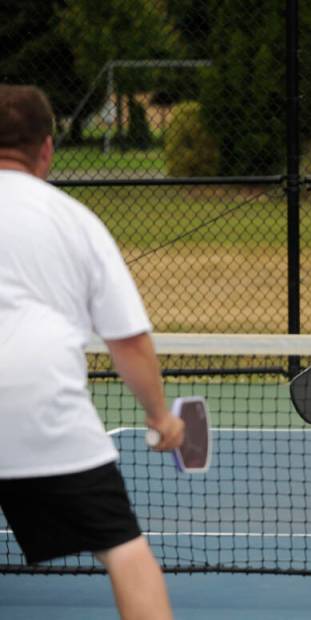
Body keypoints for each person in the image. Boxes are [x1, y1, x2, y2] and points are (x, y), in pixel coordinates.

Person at [0, 85, 184, 619]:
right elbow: (127, 341)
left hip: (42, 407)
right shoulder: (75, 220)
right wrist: (159, 418)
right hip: (44, 409)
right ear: (48, 150)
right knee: (125, 551)